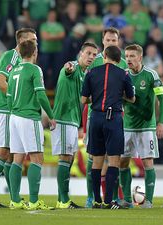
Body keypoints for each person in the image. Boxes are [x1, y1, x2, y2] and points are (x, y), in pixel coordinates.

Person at [0, 28, 37, 209]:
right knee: (2, 153)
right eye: (32, 39)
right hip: (5, 110)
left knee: (11, 155)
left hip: (8, 110)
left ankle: (14, 198)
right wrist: (15, 97)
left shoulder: (18, 60)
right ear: (21, 41)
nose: (36, 43)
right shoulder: (12, 56)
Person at [81, 45, 135, 209]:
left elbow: (83, 100)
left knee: (96, 161)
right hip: (113, 118)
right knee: (113, 161)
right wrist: (119, 95)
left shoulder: (91, 73)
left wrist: (96, 99)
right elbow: (132, 98)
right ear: (119, 60)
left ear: (104, 56)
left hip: (96, 117)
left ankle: (96, 200)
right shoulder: (123, 74)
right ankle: (109, 200)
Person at [7, 40, 56, 210]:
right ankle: (34, 201)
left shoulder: (13, 70)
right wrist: (51, 116)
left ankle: (14, 200)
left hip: (14, 117)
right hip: (28, 117)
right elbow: (42, 96)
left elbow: (8, 97)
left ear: (20, 53)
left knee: (17, 159)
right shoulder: (35, 69)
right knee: (37, 158)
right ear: (34, 53)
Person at [119, 44, 163, 209]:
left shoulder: (151, 75)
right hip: (127, 126)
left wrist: (160, 122)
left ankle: (149, 201)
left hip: (147, 126)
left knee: (147, 162)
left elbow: (162, 98)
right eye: (127, 56)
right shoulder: (123, 75)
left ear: (140, 57)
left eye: (132, 56)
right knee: (123, 162)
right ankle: (126, 199)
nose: (129, 59)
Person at [52, 42, 98, 209]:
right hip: (63, 118)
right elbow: (67, 68)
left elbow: (85, 98)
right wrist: (69, 67)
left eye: (94, 54)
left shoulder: (86, 75)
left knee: (68, 158)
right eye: (88, 53)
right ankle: (64, 201)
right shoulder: (74, 67)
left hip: (72, 120)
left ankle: (61, 198)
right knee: (65, 157)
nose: (91, 57)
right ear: (81, 53)